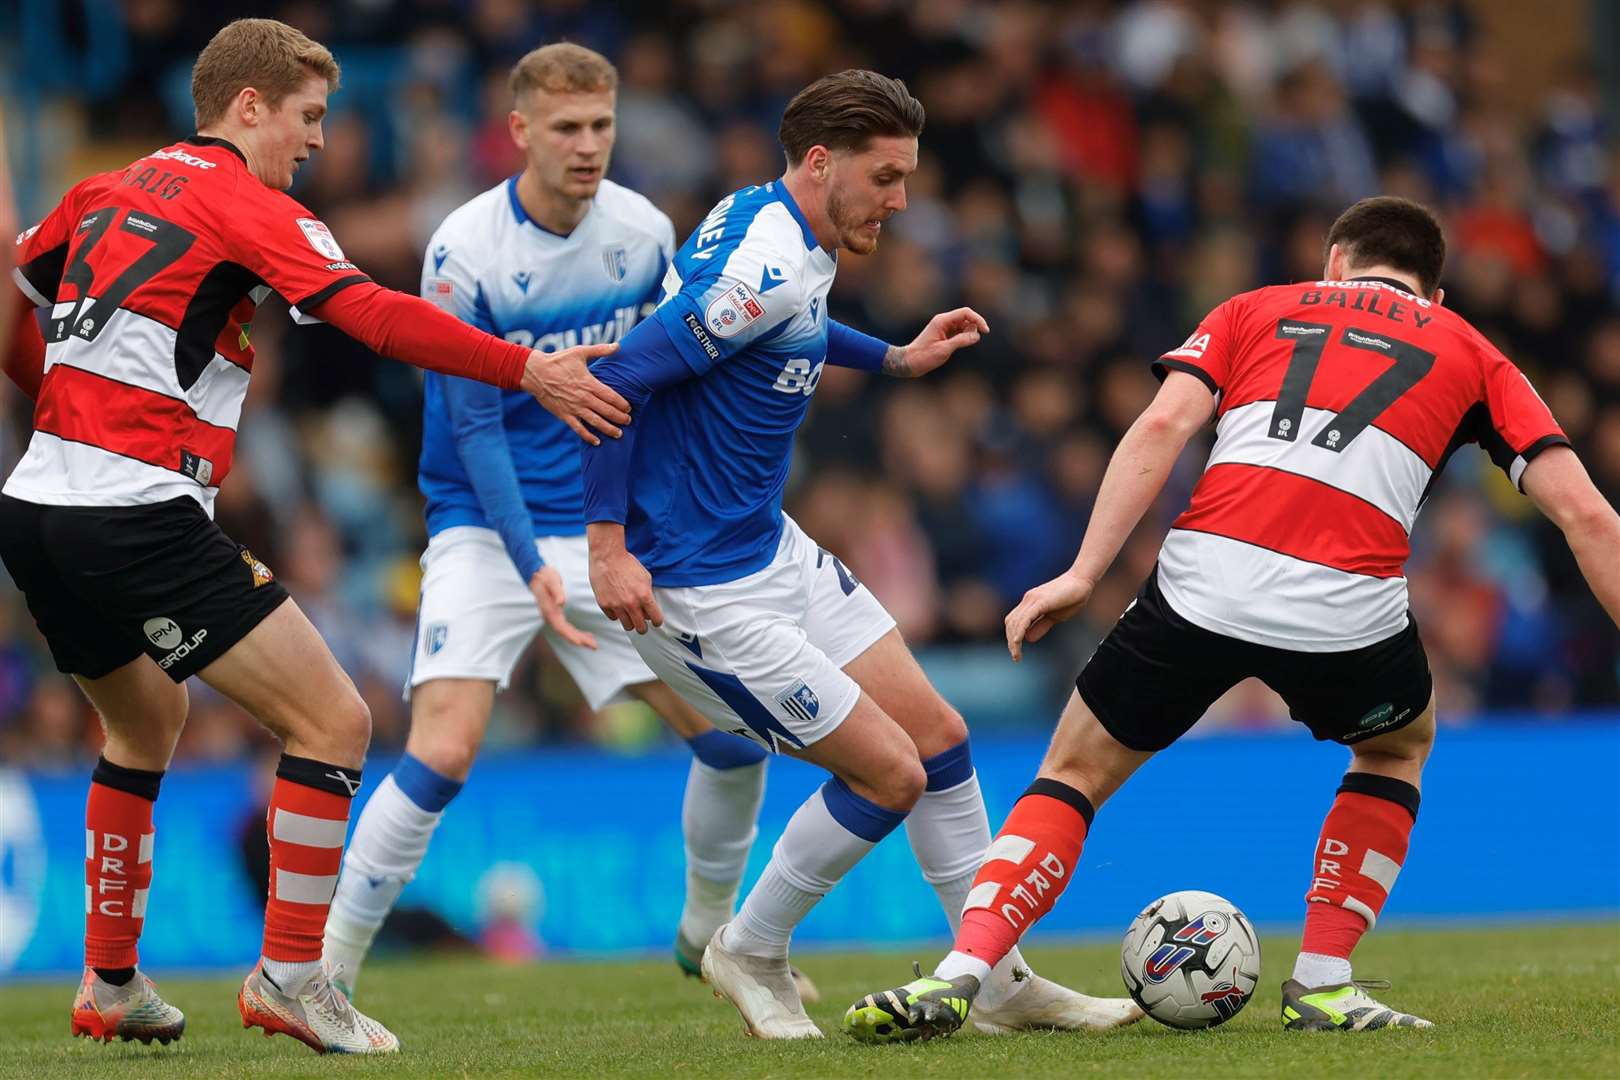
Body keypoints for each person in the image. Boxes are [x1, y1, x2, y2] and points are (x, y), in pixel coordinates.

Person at [842, 195, 1620, 1041]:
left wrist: (1081, 573)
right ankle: (1323, 982)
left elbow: (1165, 423)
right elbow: (1587, 518)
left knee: (1073, 770)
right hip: (1345, 607)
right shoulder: (1473, 352)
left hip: (1205, 577)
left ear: (1334, 262)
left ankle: (961, 974)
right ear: (1432, 289)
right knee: (1397, 745)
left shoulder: (1258, 308)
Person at [0, 18, 628, 1056]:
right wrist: (532, 370)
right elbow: (372, 314)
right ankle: (293, 977)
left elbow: (15, 313)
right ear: (249, 107)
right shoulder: (245, 203)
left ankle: (109, 985)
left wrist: (68, 404)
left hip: (38, 507)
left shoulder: (100, 190)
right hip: (134, 510)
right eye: (308, 116)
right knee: (334, 722)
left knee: (143, 726)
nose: (318, 141)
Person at [579, 69, 1140, 1039]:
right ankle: (747, 949)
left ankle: (997, 979)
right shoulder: (762, 264)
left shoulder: (781, 227)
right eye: (886, 177)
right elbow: (618, 378)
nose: (902, 200)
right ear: (822, 162)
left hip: (772, 549)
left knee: (941, 738)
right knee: (892, 775)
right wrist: (605, 547)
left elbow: (783, 326)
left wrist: (894, 357)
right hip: (698, 586)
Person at [322, 42, 815, 1006]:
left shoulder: (641, 229)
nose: (588, 147)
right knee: (445, 749)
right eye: (566, 129)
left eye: (601, 126)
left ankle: (706, 930)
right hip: (481, 521)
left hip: (604, 526)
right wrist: (528, 562)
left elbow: (678, 375)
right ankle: (320, 970)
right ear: (519, 132)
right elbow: (469, 426)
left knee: (732, 737)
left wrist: (638, 526)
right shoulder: (465, 249)